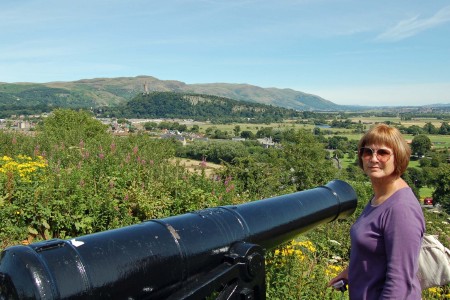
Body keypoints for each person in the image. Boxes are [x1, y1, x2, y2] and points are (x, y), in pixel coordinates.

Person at [328, 123, 425, 299]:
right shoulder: (380, 198)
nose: (373, 158)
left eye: (383, 153)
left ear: (399, 157)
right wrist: (351, 271)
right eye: (367, 152)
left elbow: (399, 284)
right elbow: (377, 252)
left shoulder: (401, 209)